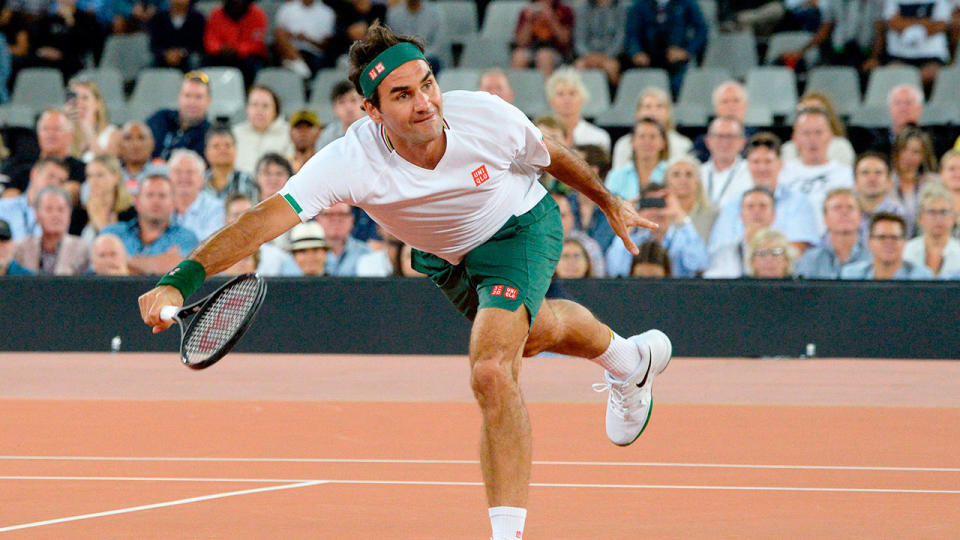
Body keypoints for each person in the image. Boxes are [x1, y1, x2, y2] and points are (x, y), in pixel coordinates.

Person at [137, 23, 671, 540]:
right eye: (401, 95)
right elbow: (260, 221)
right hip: (445, 258)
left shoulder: (483, 116)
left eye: (428, 84)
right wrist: (179, 282)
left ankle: (506, 533)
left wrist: (606, 200)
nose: (424, 103)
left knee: (490, 369)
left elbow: (549, 153)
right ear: (371, 111)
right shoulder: (350, 160)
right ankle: (630, 361)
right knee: (530, 337)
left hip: (518, 230)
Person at [708, 132, 820, 254]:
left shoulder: (799, 203)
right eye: (756, 162)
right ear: (748, 166)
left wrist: (762, 251)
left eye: (768, 161)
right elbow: (719, 250)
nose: (761, 168)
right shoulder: (733, 205)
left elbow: (800, 248)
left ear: (780, 165)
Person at [102, 172, 199, 274]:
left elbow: (182, 270)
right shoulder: (113, 233)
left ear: (173, 203)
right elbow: (102, 267)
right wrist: (160, 263)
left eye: (162, 196)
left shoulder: (186, 237)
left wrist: (122, 261)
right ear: (137, 201)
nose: (155, 201)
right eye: (149, 195)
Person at [605, 182, 708, 277]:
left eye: (660, 204)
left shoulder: (683, 239)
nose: (655, 211)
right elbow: (615, 270)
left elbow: (699, 265)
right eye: (649, 204)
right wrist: (628, 225)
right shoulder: (634, 240)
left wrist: (680, 216)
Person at [779, 107, 855, 234]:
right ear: (795, 138)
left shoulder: (846, 174)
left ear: (830, 136)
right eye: (806, 133)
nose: (812, 139)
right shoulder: (781, 173)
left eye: (818, 132)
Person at [624, 0, 707, 97]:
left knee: (681, 86)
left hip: (677, 63)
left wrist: (686, 51)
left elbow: (701, 31)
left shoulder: (687, 3)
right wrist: (636, 52)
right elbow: (631, 34)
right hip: (647, 62)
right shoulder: (639, 5)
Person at [2, 109, 86, 197]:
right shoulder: (19, 165)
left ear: (70, 135)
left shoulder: (82, 170)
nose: (50, 134)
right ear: (38, 134)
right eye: (45, 129)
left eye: (57, 129)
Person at [781, 0, 884, 69]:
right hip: (839, 51)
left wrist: (874, 58)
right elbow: (825, 29)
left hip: (863, 52)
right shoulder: (834, 2)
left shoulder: (875, 3)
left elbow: (879, 32)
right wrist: (801, 52)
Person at [794, 188, 871, 278]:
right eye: (837, 208)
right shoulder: (809, 259)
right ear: (825, 218)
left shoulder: (873, 257)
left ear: (860, 217)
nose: (844, 212)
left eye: (850, 208)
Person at [611, 86, 694, 170]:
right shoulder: (624, 144)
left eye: (659, 106)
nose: (653, 112)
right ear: (638, 112)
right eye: (648, 106)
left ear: (668, 113)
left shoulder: (683, 144)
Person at [13, 185, 90, 275]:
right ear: (37, 214)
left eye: (61, 210)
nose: (55, 215)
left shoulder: (81, 249)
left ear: (69, 214)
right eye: (49, 209)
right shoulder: (21, 248)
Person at [704, 186, 778, 278]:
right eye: (750, 207)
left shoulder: (783, 252)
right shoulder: (724, 253)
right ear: (741, 215)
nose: (756, 211)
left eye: (763, 206)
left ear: (773, 215)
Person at [224, 192, 302, 276]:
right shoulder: (214, 255)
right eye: (236, 215)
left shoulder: (277, 257)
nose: (241, 220)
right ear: (226, 220)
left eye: (247, 215)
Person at [840, 212, 934, 279]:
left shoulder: (921, 277)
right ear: (869, 242)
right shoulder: (851, 276)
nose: (888, 243)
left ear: (904, 242)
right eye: (882, 237)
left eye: (894, 237)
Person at [881, 0, 951, 89]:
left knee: (935, 74)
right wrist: (926, 22)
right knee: (891, 74)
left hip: (931, 56)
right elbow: (893, 23)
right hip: (899, 55)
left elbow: (940, 25)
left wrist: (905, 22)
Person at [146, 71, 212, 161]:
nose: (192, 103)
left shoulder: (211, 136)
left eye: (198, 97)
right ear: (179, 97)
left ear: (208, 101)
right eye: (187, 96)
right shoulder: (160, 118)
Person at [0, 157, 71, 241]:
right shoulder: (4, 207)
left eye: (61, 181)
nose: (54, 183)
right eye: (51, 176)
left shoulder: (58, 217)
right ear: (34, 173)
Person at [780, 92, 857, 167]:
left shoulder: (841, 147)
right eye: (806, 110)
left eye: (816, 111)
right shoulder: (788, 149)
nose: (811, 116)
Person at [202, 0, 268, 86]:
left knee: (253, 64)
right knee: (205, 62)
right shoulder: (216, 14)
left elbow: (257, 43)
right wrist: (220, 48)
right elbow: (210, 40)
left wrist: (237, 49)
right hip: (221, 54)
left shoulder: (258, 14)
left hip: (247, 57)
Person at [546, 67, 610, 154]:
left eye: (572, 93)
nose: (566, 99)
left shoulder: (598, 137)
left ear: (582, 99)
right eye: (560, 94)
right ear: (551, 101)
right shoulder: (542, 135)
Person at [232, 85, 294, 175]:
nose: (259, 110)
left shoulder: (289, 134)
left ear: (275, 110)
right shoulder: (234, 133)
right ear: (247, 109)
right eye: (254, 105)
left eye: (265, 106)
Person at [890, 126, 940, 235]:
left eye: (916, 152)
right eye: (904, 149)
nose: (909, 156)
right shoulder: (885, 182)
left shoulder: (933, 183)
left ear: (924, 156)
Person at [903, 182, 960, 276]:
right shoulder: (906, 251)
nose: (938, 218)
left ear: (953, 218)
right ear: (920, 217)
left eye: (943, 212)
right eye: (932, 212)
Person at [604, 117, 668, 201]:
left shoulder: (671, 173)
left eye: (653, 137)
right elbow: (607, 208)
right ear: (632, 142)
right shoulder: (616, 176)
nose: (647, 142)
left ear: (663, 143)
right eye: (641, 136)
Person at [168, 149, 225, 241]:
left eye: (190, 172)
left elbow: (212, 243)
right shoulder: (159, 205)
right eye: (178, 172)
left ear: (201, 179)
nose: (183, 177)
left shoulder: (216, 208)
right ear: (168, 177)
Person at [79, 154, 136, 244]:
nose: (93, 181)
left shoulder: (131, 213)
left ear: (116, 177)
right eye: (89, 176)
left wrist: (101, 223)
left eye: (100, 175)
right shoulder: (81, 212)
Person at [274, 0, 338, 78]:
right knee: (280, 34)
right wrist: (292, 35)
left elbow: (326, 43)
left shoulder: (327, 12)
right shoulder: (287, 8)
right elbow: (278, 34)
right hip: (290, 51)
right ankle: (298, 62)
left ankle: (301, 68)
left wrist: (307, 39)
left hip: (314, 53)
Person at [511, 0, 575, 78]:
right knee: (518, 56)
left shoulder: (565, 10)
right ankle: (515, 88)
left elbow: (565, 40)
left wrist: (551, 19)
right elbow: (521, 43)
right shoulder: (526, 11)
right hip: (532, 48)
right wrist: (528, 21)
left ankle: (547, 89)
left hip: (555, 50)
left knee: (544, 56)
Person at [699, 117, 752, 209]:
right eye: (719, 136)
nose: (725, 142)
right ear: (707, 141)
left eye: (730, 137)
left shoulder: (752, 172)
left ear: (742, 142)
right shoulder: (697, 173)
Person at [853, 151, 908, 238]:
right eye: (865, 172)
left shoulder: (899, 213)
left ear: (889, 182)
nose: (872, 178)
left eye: (878, 173)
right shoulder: (845, 212)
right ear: (855, 182)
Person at [666, 155, 717, 245]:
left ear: (697, 181)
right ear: (667, 181)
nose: (683, 180)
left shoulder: (713, 214)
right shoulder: (659, 214)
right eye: (676, 175)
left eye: (689, 174)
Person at [65, 79, 120, 162]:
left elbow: (108, 168)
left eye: (85, 98)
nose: (79, 102)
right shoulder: (64, 132)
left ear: (97, 103)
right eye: (74, 98)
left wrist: (89, 130)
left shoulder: (113, 134)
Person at [572, 0, 625, 85]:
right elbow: (579, 39)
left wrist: (606, 56)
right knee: (579, 66)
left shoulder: (621, 8)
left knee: (611, 67)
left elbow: (620, 37)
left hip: (611, 56)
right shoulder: (583, 8)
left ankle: (614, 97)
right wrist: (588, 56)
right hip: (588, 56)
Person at [553, 191, 605, 277]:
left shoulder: (589, 246)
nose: (556, 222)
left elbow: (597, 282)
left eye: (562, 216)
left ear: (572, 217)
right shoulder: (529, 244)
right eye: (549, 217)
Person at [386, 0, 446, 72]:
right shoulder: (394, 14)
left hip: (428, 57)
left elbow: (438, 45)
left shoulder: (435, 13)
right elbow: (391, 41)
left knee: (433, 63)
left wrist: (418, 56)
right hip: (403, 57)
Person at [317, 201, 372, 276]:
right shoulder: (303, 252)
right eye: (330, 214)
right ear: (318, 219)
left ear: (351, 219)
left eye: (342, 214)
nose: (336, 220)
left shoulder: (366, 253)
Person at [203, 127, 258, 201]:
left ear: (236, 150)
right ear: (206, 152)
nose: (222, 150)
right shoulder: (199, 182)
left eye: (227, 145)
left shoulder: (247, 180)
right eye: (216, 146)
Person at [148, 0, 206, 71]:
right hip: (164, 57)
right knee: (150, 62)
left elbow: (198, 44)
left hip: (188, 56)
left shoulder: (197, 18)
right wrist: (167, 54)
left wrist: (181, 53)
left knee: (195, 60)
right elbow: (154, 44)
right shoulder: (158, 18)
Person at [317, 81, 366, 150]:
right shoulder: (327, 136)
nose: (348, 107)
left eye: (353, 100)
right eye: (342, 102)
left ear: (363, 103)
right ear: (334, 108)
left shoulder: (376, 128)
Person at [117, 121, 158, 195]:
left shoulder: (164, 174)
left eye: (141, 138)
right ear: (119, 144)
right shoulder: (107, 174)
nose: (135, 144)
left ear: (152, 143)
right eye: (128, 138)